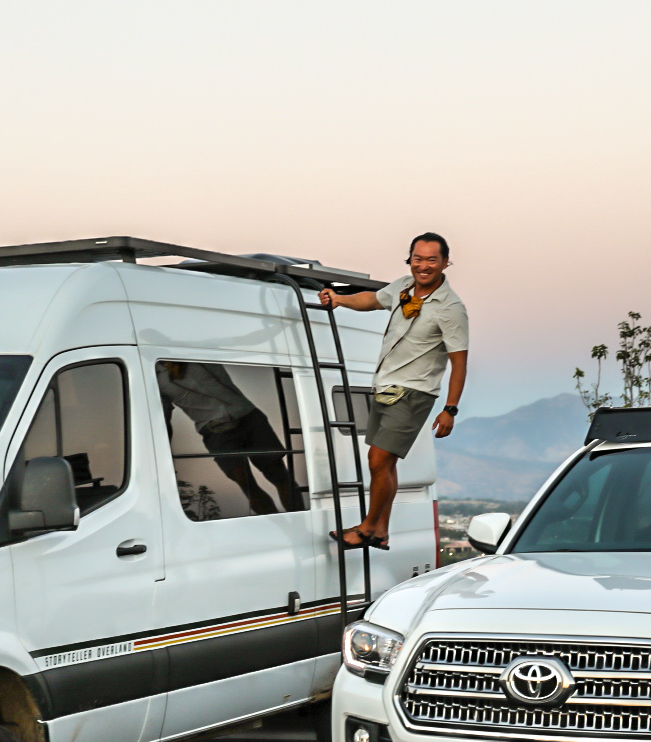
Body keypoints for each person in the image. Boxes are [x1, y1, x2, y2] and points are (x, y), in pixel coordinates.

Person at [319, 232, 467, 549]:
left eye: (431, 259)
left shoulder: (451, 308)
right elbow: (372, 300)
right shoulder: (403, 287)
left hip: (415, 392)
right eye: (418, 258)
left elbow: (459, 363)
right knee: (386, 464)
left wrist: (450, 408)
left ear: (445, 262)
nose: (423, 266)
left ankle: (368, 528)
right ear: (409, 259)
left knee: (376, 460)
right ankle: (382, 529)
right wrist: (340, 299)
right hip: (385, 386)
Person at [156, 360, 304, 515]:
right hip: (216, 431)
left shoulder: (190, 355)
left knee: (279, 475)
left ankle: (302, 524)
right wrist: (163, 452)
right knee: (247, 486)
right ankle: (280, 532)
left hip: (248, 416)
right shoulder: (154, 375)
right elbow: (163, 415)